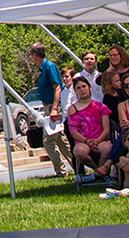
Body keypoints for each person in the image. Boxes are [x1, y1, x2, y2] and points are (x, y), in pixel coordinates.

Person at [25, 43, 68, 176]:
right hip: (47, 106)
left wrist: (54, 109)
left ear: (35, 55)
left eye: (31, 55)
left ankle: (61, 171)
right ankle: (79, 166)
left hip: (52, 107)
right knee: (61, 140)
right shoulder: (43, 69)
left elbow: (58, 87)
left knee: (48, 141)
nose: (31, 58)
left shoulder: (49, 67)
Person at [64, 74, 113, 179]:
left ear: (89, 87)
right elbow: (74, 132)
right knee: (79, 151)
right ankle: (98, 171)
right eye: (78, 88)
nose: (82, 90)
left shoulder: (100, 106)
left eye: (84, 86)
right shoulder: (72, 109)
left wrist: (97, 140)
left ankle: (99, 173)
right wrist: (87, 141)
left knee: (108, 148)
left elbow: (106, 129)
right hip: (83, 141)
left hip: (100, 140)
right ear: (75, 91)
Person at [101, 46, 129, 115]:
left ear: (121, 55)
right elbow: (99, 81)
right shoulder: (111, 72)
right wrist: (109, 69)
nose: (113, 57)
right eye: (111, 56)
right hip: (115, 101)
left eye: (115, 55)